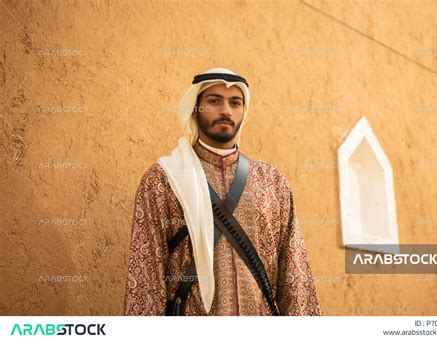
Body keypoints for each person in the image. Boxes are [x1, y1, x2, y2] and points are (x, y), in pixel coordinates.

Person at [123, 67, 321, 316]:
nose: (226, 110)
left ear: (243, 111)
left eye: (235, 102)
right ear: (195, 109)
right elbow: (145, 277)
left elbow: (295, 278)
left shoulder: (273, 182)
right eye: (214, 101)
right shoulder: (163, 180)